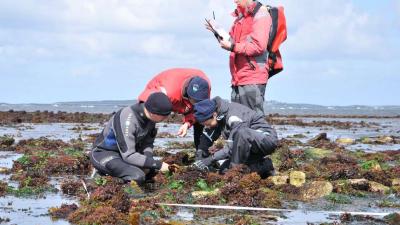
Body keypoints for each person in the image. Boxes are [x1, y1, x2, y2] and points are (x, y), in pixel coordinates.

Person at [90, 92, 172, 185]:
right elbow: (129, 156)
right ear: (153, 113)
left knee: (151, 173)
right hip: (104, 154)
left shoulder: (151, 120)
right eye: (165, 115)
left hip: (124, 156)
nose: (166, 117)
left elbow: (147, 144)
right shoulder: (128, 119)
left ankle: (117, 174)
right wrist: (158, 164)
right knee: (137, 176)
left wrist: (149, 163)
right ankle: (101, 177)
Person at [206, 0, 271, 114]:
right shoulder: (240, 17)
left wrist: (232, 46)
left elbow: (258, 46)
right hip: (238, 79)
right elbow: (232, 41)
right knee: (238, 121)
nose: (235, 1)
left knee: (253, 121)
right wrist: (217, 32)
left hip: (252, 77)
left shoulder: (261, 14)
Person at [192, 96, 278, 178]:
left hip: (265, 140)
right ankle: (265, 166)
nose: (208, 126)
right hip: (247, 146)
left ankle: (237, 172)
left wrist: (211, 159)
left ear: (214, 115)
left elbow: (232, 147)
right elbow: (208, 135)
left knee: (242, 134)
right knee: (224, 171)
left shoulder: (233, 117)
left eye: (207, 124)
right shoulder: (217, 114)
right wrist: (200, 152)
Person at [138, 68, 211, 150]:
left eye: (199, 101)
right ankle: (142, 151)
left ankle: (201, 153)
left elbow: (198, 110)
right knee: (150, 121)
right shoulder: (166, 92)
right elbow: (143, 102)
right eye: (195, 101)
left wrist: (187, 123)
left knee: (200, 118)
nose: (197, 104)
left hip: (184, 95)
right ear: (187, 94)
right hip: (165, 92)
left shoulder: (205, 86)